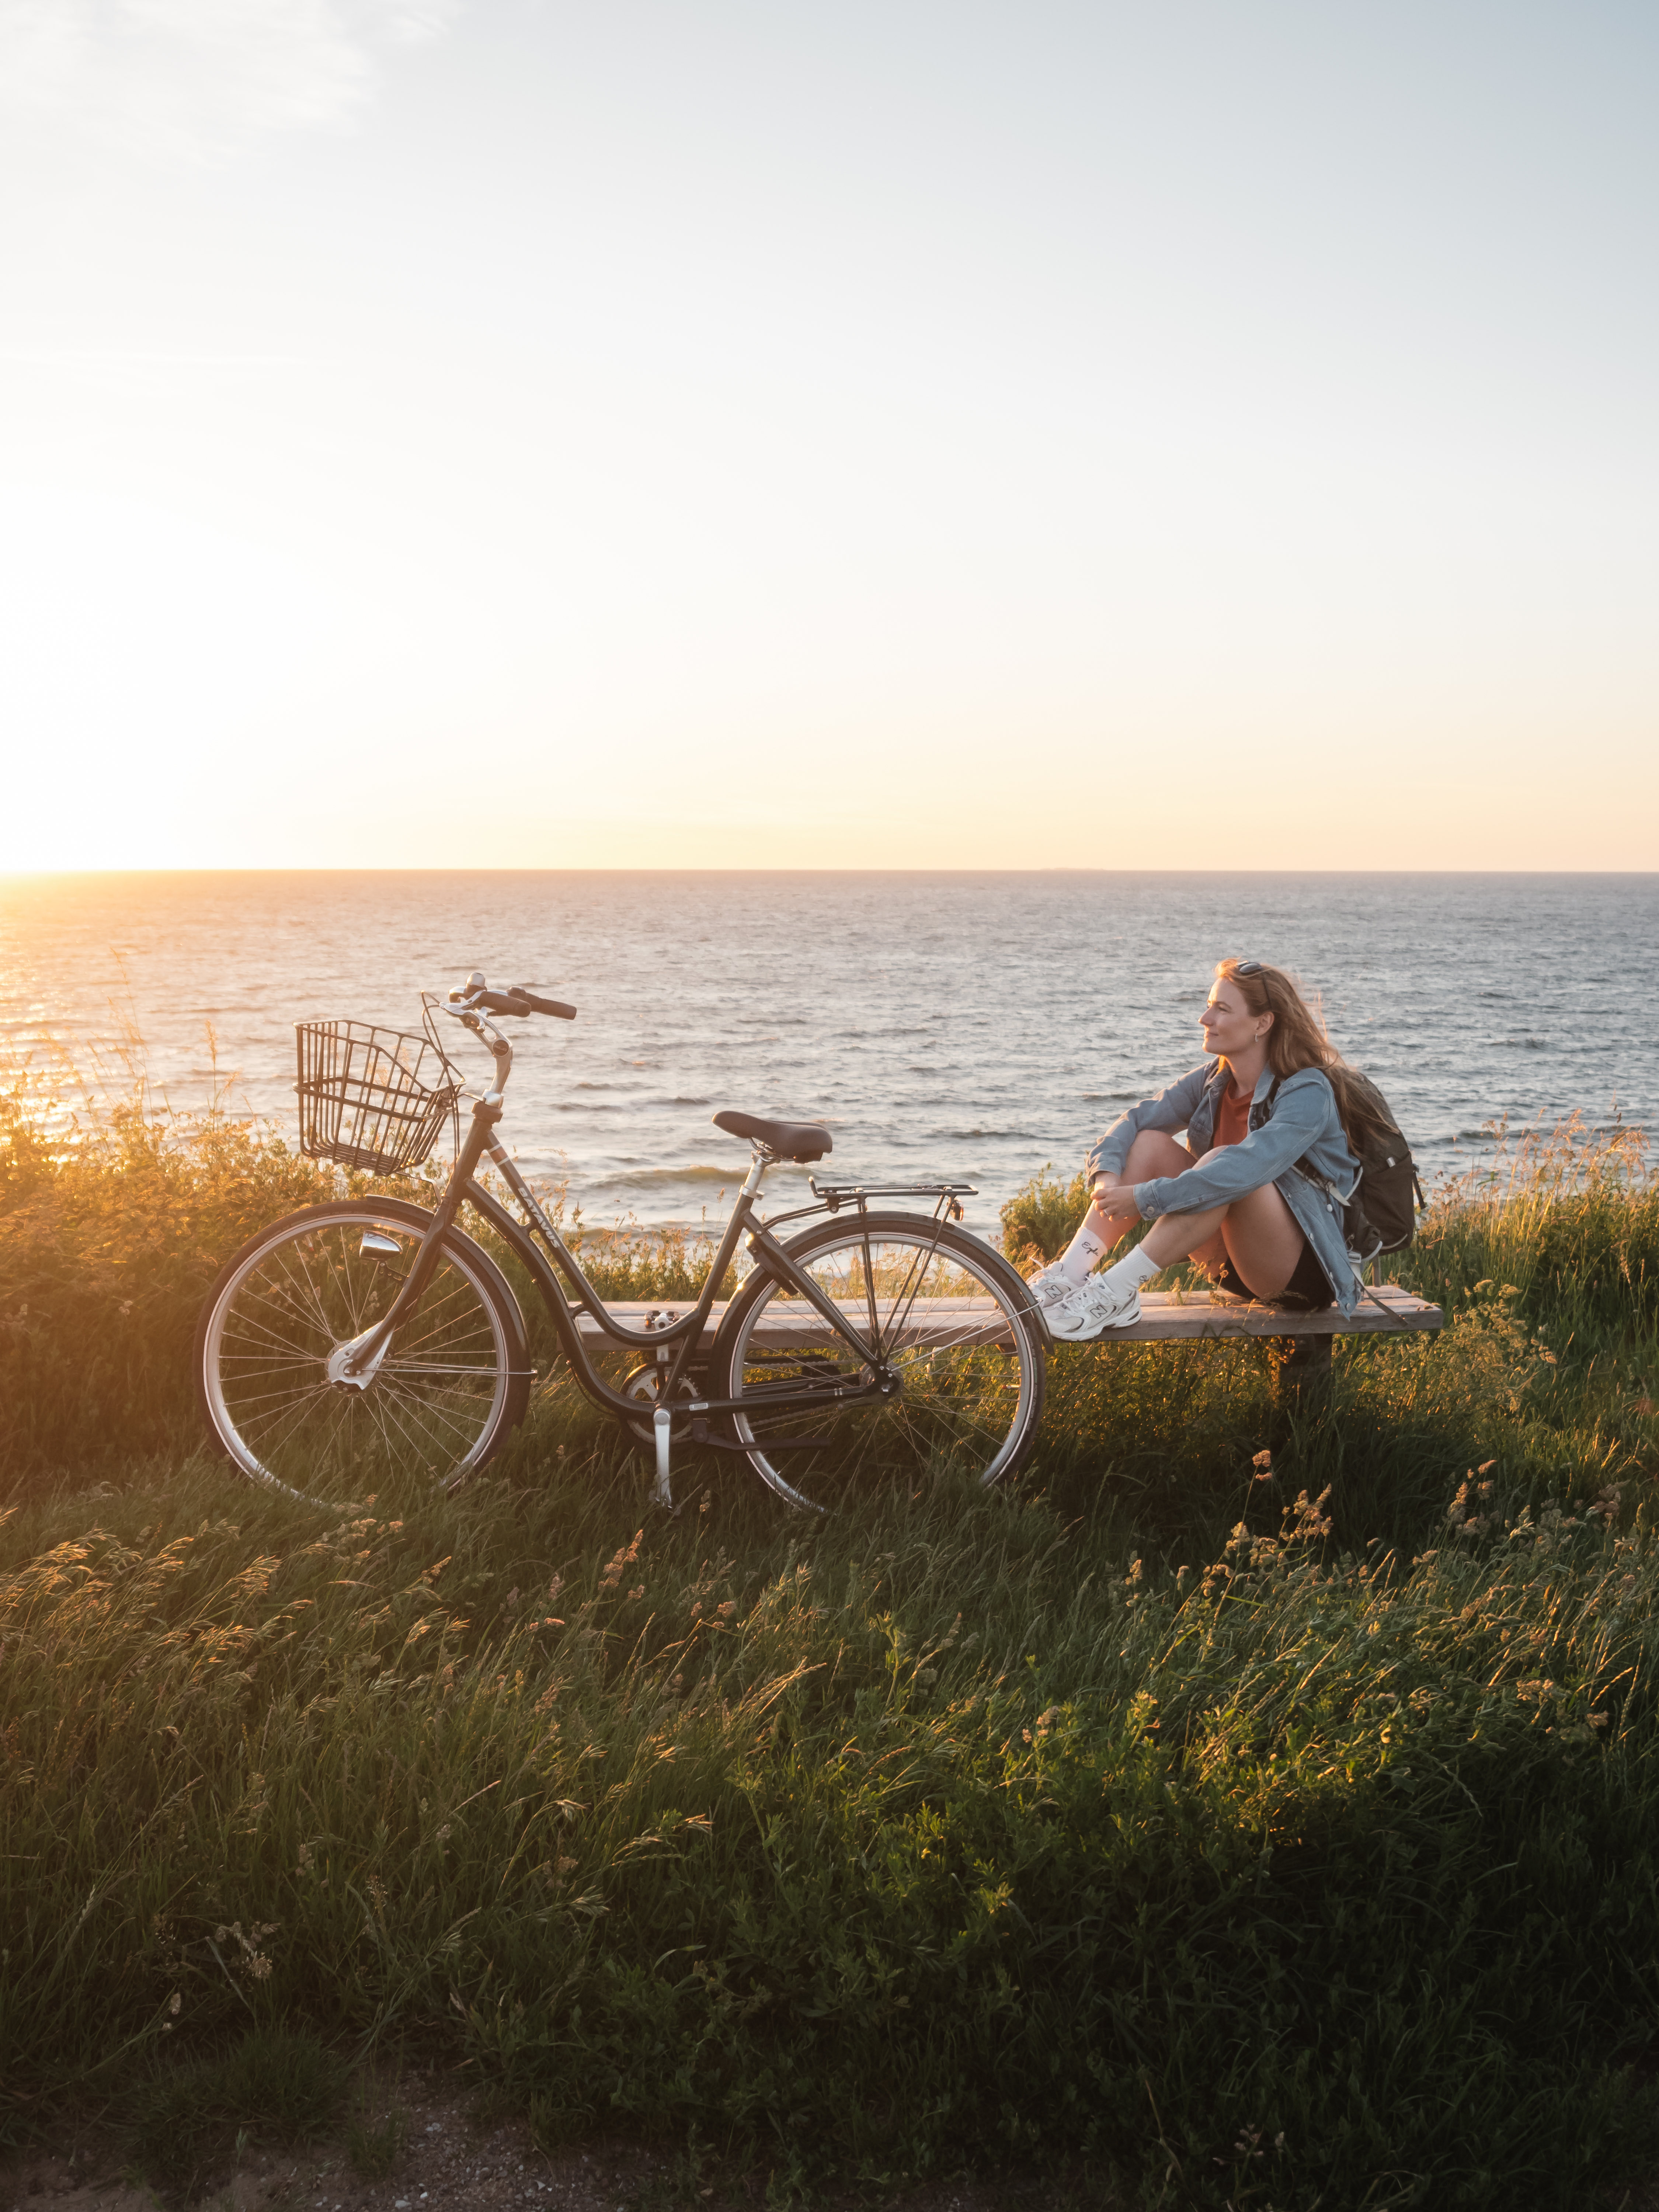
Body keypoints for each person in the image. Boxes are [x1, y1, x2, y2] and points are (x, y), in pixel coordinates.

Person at [1031, 957, 1375, 1342]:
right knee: (1147, 1143)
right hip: (1230, 1261)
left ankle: (1113, 1292)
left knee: (1222, 1165)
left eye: (1222, 1009)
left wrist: (1145, 1198)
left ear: (1263, 1023)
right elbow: (1136, 1120)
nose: (1204, 1018)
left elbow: (1244, 1170)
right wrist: (1107, 1180)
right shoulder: (1214, 1079)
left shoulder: (1307, 1092)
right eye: (1209, 1005)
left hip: (1300, 1273)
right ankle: (1070, 1275)